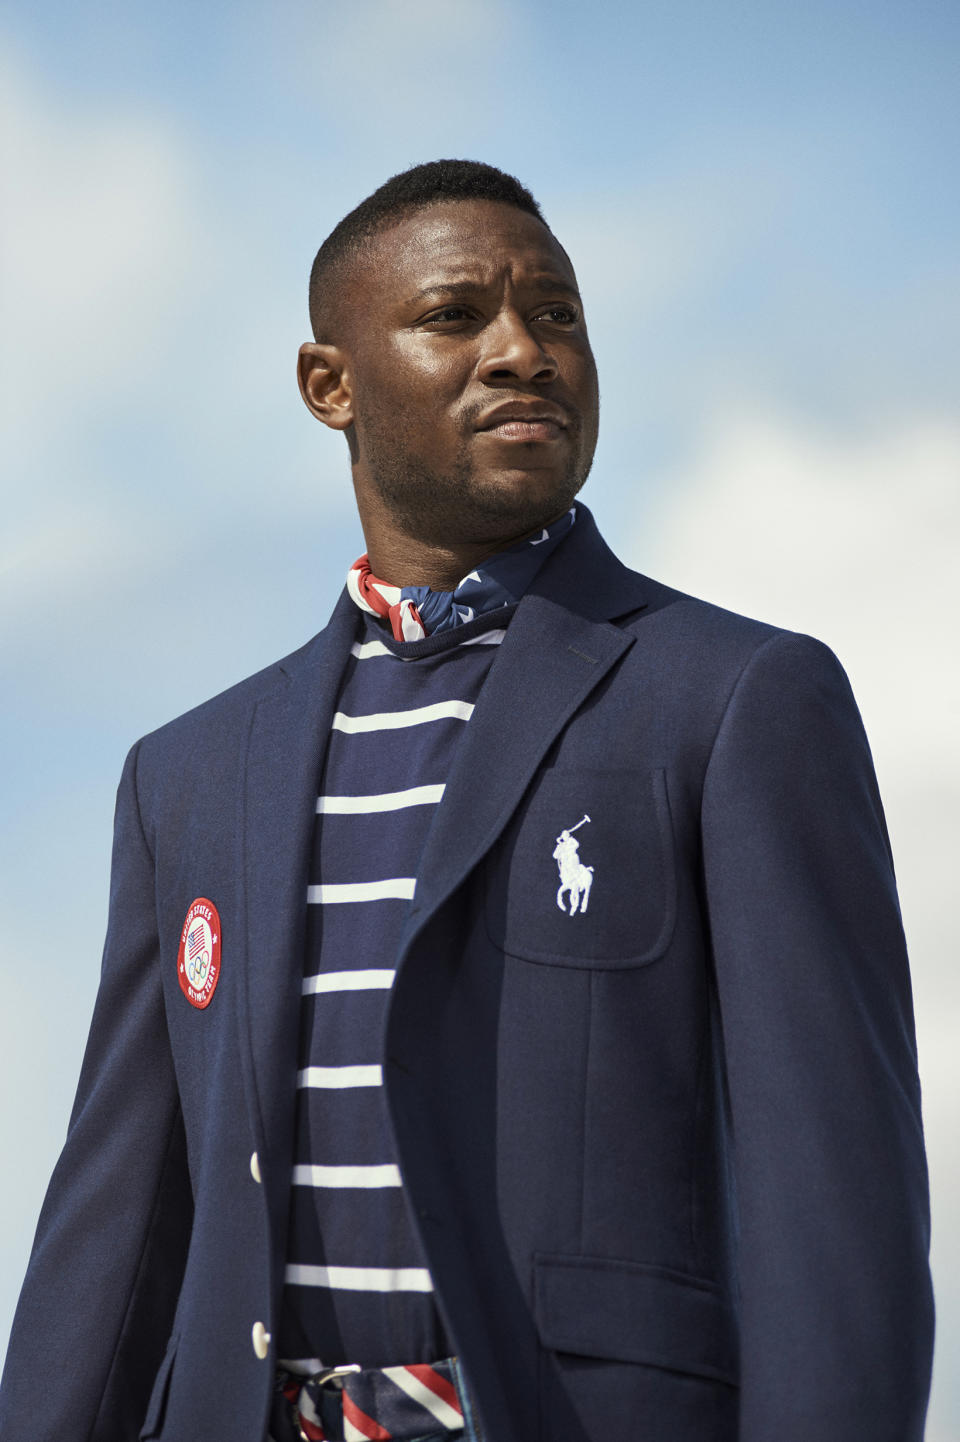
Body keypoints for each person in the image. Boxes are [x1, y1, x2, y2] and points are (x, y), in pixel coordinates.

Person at [0, 159, 934, 1442]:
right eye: (456, 316)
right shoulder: (191, 773)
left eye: (556, 313)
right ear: (330, 385)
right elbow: (114, 1226)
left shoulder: (736, 700)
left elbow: (837, 1209)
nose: (523, 350)